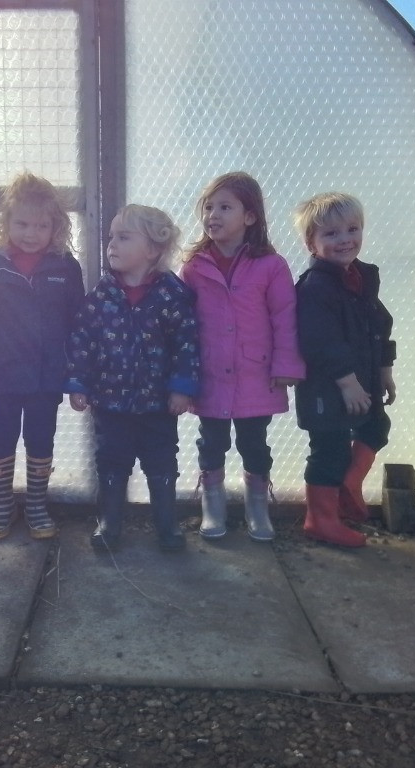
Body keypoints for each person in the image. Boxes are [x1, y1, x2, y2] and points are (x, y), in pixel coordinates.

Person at [66, 204, 200, 551]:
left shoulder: (172, 295)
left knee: (162, 463)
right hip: (110, 402)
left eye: (124, 237)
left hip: (158, 404)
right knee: (111, 462)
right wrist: (79, 383)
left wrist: (182, 388)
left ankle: (167, 526)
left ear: (153, 249)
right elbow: (82, 340)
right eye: (111, 237)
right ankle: (109, 523)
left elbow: (186, 343)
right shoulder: (100, 297)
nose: (112, 244)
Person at [181, 172, 306, 542]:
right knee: (211, 440)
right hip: (209, 373)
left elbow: (285, 318)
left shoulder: (272, 265)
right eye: (208, 207)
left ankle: (256, 505)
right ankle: (213, 502)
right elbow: (184, 323)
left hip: (257, 373)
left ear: (249, 217)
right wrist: (184, 373)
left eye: (225, 207)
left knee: (254, 442)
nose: (213, 215)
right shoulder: (194, 266)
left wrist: (286, 366)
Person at [0, 172, 85, 540]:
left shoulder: (66, 267)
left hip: (46, 379)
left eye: (41, 225)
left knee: (40, 440)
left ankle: (36, 505)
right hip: (0, 378)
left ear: (56, 227)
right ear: (6, 223)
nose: (30, 233)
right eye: (22, 223)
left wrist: (78, 376)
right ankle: (2, 506)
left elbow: (79, 324)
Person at [293, 192, 397, 548]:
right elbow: (319, 340)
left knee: (376, 424)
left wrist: (385, 368)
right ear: (312, 242)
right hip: (327, 387)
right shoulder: (315, 287)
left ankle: (348, 485)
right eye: (331, 234)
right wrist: (347, 383)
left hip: (363, 379)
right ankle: (320, 518)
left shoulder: (361, 278)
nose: (344, 240)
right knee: (330, 447)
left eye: (352, 229)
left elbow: (380, 323)